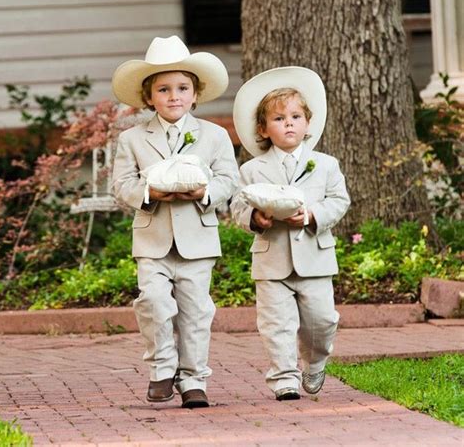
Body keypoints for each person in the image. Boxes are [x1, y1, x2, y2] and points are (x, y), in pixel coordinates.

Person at [111, 35, 239, 408]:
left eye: (182, 88)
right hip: (153, 238)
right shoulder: (133, 138)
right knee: (152, 301)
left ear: (195, 94)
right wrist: (152, 194)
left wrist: (204, 194)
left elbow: (228, 180)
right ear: (149, 96)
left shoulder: (213, 136)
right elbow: (122, 185)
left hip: (197, 238)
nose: (173, 96)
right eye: (163, 89)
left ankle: (194, 378)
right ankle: (162, 369)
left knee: (196, 309)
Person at [230, 67, 350, 401]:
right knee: (275, 322)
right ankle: (283, 376)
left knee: (321, 321)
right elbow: (237, 207)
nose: (289, 124)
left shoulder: (325, 165)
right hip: (272, 259)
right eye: (279, 119)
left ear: (308, 123)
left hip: (314, 256)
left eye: (296, 116)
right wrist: (256, 218)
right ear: (263, 129)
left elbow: (339, 201)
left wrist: (311, 215)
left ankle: (315, 362)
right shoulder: (252, 170)